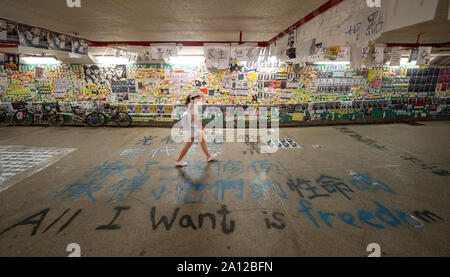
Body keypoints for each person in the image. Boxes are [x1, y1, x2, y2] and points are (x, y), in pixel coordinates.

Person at [175, 92, 218, 167]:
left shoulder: (191, 105)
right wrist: (203, 129)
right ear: (195, 98)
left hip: (193, 128)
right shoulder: (194, 107)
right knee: (188, 145)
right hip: (193, 128)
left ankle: (208, 156)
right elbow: (195, 120)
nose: (200, 98)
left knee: (202, 141)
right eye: (199, 97)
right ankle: (178, 160)